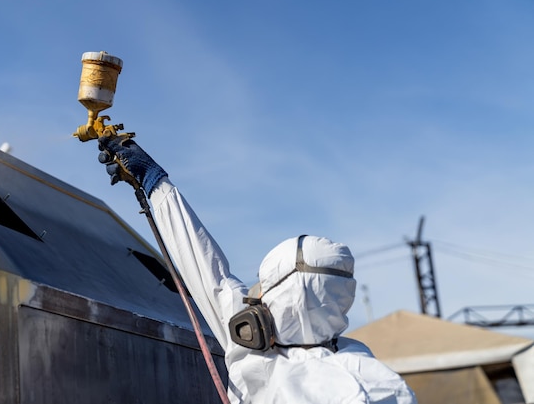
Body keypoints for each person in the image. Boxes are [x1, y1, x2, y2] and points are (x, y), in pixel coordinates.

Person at [98, 135, 417, 404]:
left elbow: (211, 274)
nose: (255, 297)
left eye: (265, 286)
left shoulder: (259, 354)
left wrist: (156, 183)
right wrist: (155, 183)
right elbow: (207, 267)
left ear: (287, 294)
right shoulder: (377, 377)